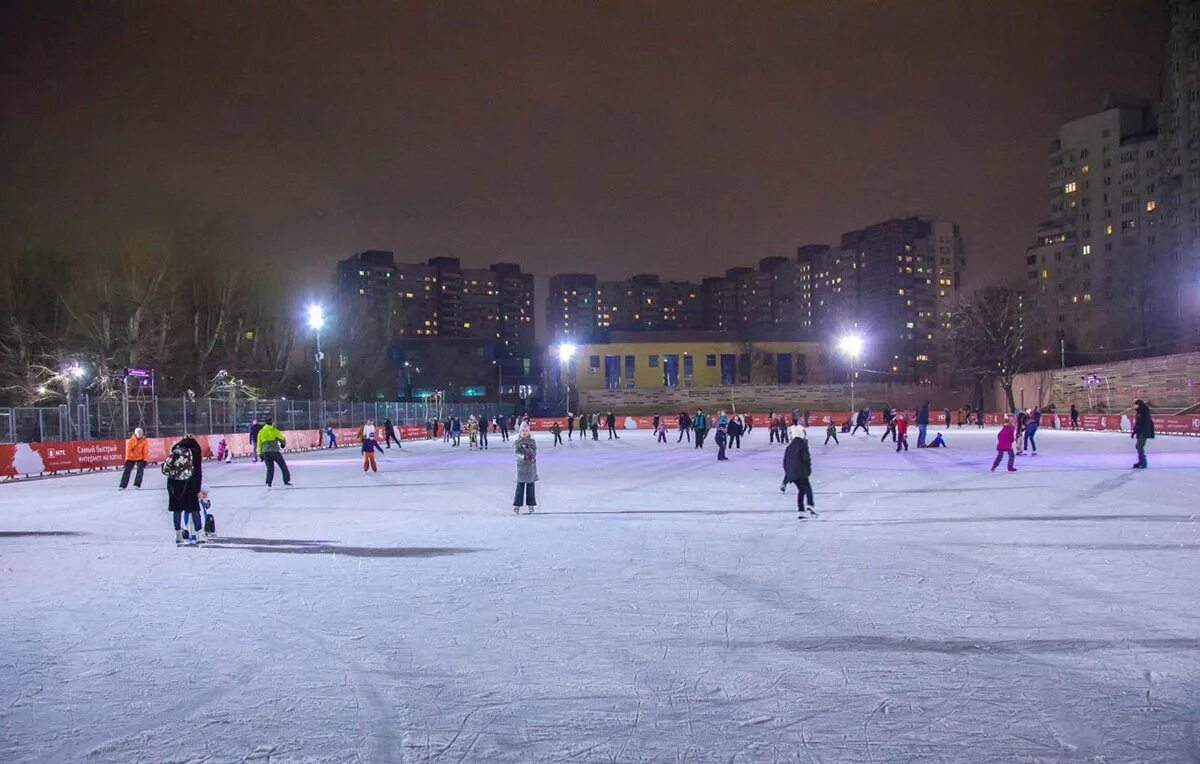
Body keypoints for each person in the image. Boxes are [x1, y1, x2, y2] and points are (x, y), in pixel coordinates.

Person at [164, 433, 204, 545]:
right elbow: (198, 472)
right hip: (189, 482)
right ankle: (199, 534)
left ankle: (178, 535)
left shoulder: (176, 449)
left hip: (173, 482)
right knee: (194, 509)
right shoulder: (195, 451)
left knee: (177, 509)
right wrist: (197, 488)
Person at [782, 425, 816, 517]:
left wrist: (787, 476)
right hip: (801, 472)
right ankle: (810, 504)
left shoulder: (789, 447)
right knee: (807, 488)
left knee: (801, 490)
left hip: (792, 474)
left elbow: (785, 462)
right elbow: (806, 458)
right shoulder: (802, 445)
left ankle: (801, 511)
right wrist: (808, 470)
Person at [256, 418, 292, 487]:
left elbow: (259, 443)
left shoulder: (261, 432)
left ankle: (268, 483)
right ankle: (286, 480)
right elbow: (282, 438)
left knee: (270, 468)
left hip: (265, 452)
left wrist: (260, 453)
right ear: (271, 423)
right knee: (283, 466)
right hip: (274, 451)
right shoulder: (274, 430)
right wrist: (283, 444)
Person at [513, 424, 538, 514]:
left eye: (526, 431)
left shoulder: (532, 442)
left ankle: (531, 504)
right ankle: (517, 505)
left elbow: (533, 454)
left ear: (529, 432)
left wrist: (527, 447)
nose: (524, 432)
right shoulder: (517, 442)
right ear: (520, 432)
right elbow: (517, 454)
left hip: (530, 467)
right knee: (520, 487)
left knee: (530, 487)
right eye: (522, 431)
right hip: (521, 467)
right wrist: (524, 457)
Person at [1132, 398, 1154, 468]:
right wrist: (1134, 432)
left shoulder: (1144, 412)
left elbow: (1144, 423)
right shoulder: (1139, 412)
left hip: (1143, 432)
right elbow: (1138, 423)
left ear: (1138, 404)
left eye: (1135, 404)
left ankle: (1143, 462)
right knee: (1138, 446)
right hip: (1140, 431)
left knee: (1139, 446)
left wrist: (1142, 431)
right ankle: (1141, 461)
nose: (1134, 406)